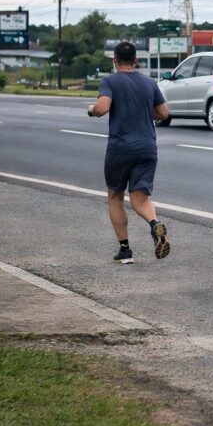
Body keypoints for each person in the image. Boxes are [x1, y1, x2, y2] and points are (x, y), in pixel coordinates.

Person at [87, 41, 171, 264]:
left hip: (120, 148)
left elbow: (102, 107)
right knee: (140, 199)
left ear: (115, 60)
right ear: (136, 60)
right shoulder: (148, 82)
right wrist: (146, 111)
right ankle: (155, 225)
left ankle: (125, 250)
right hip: (147, 148)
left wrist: (91, 110)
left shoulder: (110, 81)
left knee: (115, 195)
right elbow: (164, 113)